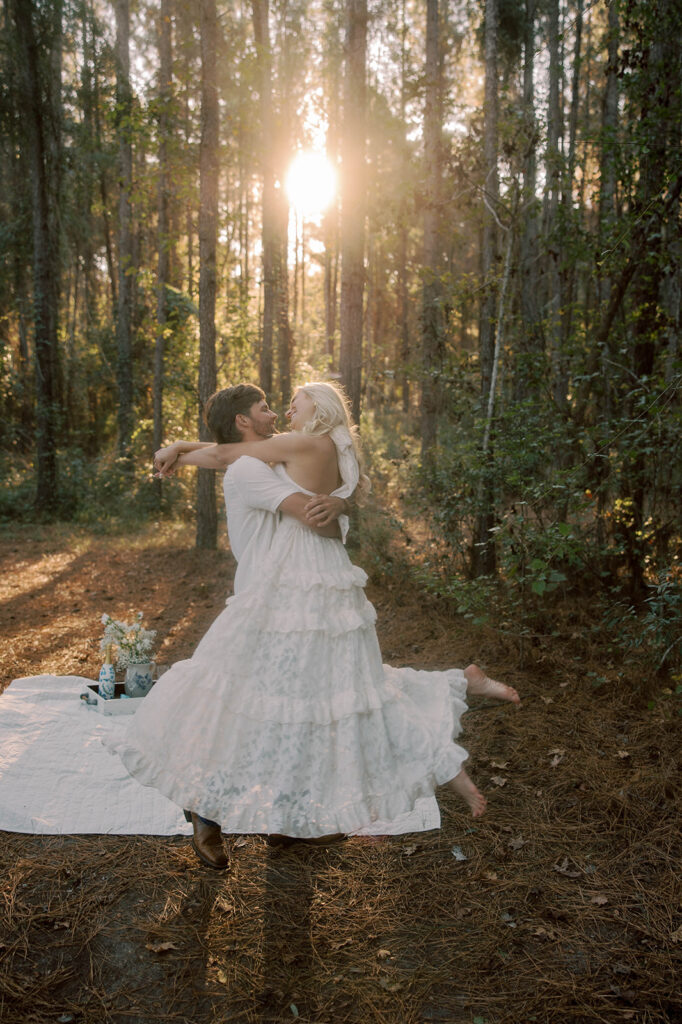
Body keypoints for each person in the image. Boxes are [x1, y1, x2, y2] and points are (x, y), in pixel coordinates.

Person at [115, 380, 519, 870]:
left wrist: (181, 449)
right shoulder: (255, 465)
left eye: (288, 403)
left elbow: (244, 462)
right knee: (251, 704)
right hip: (273, 593)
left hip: (294, 592)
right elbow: (304, 509)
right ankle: (207, 811)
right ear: (245, 421)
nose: (278, 411)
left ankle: (284, 821)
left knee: (298, 703)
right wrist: (336, 508)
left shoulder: (272, 454)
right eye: (267, 407)